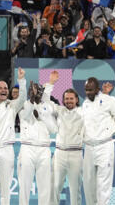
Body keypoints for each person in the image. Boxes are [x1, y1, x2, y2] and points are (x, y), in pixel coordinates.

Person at [0, 68, 27, 205]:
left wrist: (21, 80)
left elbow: (23, 97)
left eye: (6, 88)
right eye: (0, 88)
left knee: (5, 189)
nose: (3, 90)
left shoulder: (12, 106)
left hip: (7, 151)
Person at [82, 77, 115, 205]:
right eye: (86, 90)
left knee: (103, 183)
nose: (88, 92)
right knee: (88, 183)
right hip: (88, 147)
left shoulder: (110, 101)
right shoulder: (85, 104)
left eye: (91, 90)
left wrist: (113, 130)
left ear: (97, 89)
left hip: (104, 146)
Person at [44, 76, 84, 205]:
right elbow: (45, 101)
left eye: (71, 98)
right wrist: (50, 83)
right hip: (59, 153)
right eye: (66, 99)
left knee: (75, 190)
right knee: (55, 187)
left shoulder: (83, 112)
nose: (69, 101)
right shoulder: (59, 110)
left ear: (76, 99)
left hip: (76, 154)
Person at [17, 79, 57, 205]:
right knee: (24, 185)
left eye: (36, 90)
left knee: (45, 186)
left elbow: (53, 129)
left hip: (44, 149)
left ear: (41, 91)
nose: (34, 92)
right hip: (27, 148)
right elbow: (25, 116)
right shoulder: (23, 105)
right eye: (32, 90)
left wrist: (41, 115)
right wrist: (32, 100)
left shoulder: (48, 107)